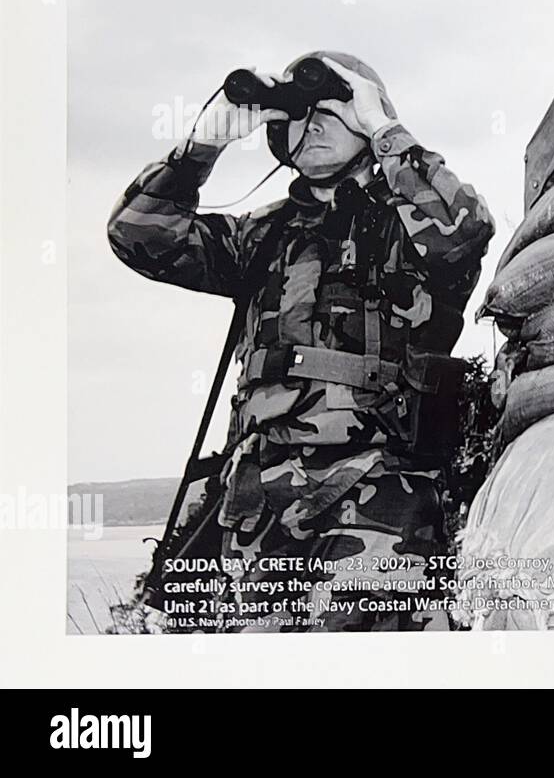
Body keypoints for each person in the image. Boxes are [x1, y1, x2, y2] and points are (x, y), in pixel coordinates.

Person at [108, 51, 494, 631]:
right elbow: (136, 233)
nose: (308, 125)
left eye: (328, 111)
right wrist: (201, 149)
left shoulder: (408, 227)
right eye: (295, 114)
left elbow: (463, 232)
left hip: (378, 493)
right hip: (254, 500)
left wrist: (384, 131)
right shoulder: (262, 234)